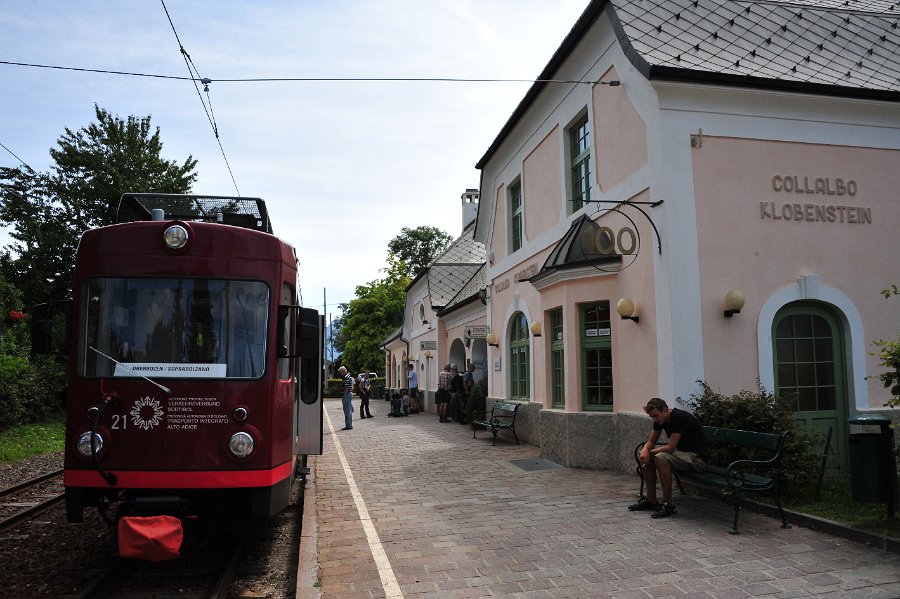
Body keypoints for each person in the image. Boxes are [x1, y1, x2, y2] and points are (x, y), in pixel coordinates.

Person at [630, 397, 707, 518]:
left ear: (665, 410)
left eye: (656, 416)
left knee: (661, 458)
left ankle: (668, 504)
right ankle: (651, 500)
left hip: (697, 459)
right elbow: (651, 440)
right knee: (645, 456)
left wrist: (651, 452)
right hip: (681, 454)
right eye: (652, 417)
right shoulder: (660, 419)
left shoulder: (679, 418)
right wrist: (645, 451)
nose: (655, 419)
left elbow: (670, 447)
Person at [338, 366, 354, 430]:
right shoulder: (348, 376)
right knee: (348, 410)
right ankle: (349, 424)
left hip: (347, 394)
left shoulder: (346, 377)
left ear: (342, 372)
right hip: (348, 394)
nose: (340, 374)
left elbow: (347, 387)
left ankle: (348, 425)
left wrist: (344, 394)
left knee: (347, 410)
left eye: (340, 372)